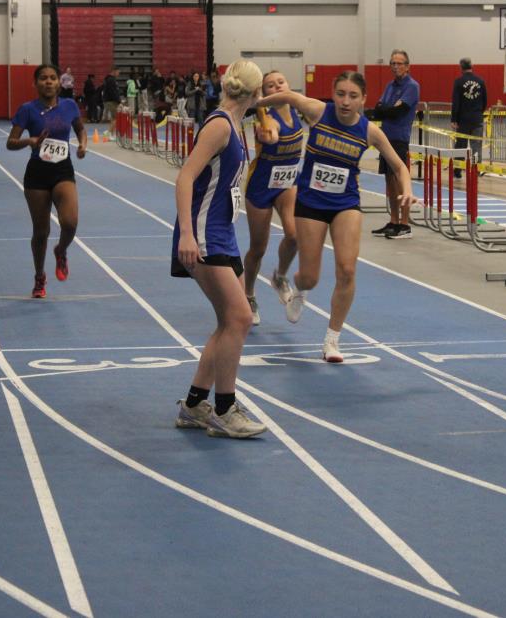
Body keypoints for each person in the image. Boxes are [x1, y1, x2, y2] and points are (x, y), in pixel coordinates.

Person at [257, 71, 416, 362]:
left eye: (353, 96)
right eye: (340, 94)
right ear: (333, 94)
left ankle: (332, 340)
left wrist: (406, 190)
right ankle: (293, 284)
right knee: (309, 277)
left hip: (346, 203)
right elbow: (289, 96)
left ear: (363, 99)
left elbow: (399, 166)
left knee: (347, 270)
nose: (345, 101)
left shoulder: (369, 131)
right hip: (311, 202)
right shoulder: (319, 111)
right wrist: (252, 103)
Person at [172, 59, 268, 439]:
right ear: (255, 93)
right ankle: (225, 409)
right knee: (240, 318)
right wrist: (186, 234)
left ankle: (195, 405)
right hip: (204, 233)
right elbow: (185, 177)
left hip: (223, 233)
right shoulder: (220, 126)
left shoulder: (237, 124)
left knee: (229, 322)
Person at [7, 64, 87, 299]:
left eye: (53, 78)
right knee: (41, 232)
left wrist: (83, 145)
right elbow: (10, 142)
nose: (49, 81)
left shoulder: (69, 106)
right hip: (37, 174)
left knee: (70, 223)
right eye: (43, 78)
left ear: (59, 82)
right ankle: (39, 276)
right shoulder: (27, 110)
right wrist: (29, 141)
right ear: (35, 83)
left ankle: (61, 250)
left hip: (63, 170)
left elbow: (81, 130)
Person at [242, 70, 302, 325]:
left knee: (294, 235)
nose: (277, 86)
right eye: (270, 85)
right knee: (258, 248)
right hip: (261, 186)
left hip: (287, 183)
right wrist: (266, 136)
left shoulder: (298, 108)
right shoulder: (267, 119)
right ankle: (248, 295)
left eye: (281, 82)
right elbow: (272, 133)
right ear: (264, 94)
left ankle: (279, 277)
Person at [366, 49, 419, 239]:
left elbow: (398, 111)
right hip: (385, 137)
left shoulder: (412, 86)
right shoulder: (390, 85)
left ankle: (404, 225)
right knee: (389, 181)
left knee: (399, 180)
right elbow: (379, 108)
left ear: (407, 66)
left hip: (399, 137)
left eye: (399, 63)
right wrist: (387, 109)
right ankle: (394, 221)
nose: (395, 67)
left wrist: (386, 109)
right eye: (392, 63)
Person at [450, 57, 487, 176]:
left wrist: (454, 119)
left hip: (463, 120)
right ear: (472, 66)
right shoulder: (480, 81)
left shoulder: (458, 82)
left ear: (461, 68)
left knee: (460, 146)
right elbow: (485, 101)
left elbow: (456, 102)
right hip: (477, 119)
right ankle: (476, 170)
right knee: (476, 147)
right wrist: (478, 113)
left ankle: (457, 170)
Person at [102, 68, 120, 134]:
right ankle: (108, 133)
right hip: (111, 101)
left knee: (113, 118)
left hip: (109, 100)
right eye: (118, 72)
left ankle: (111, 133)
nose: (118, 74)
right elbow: (113, 92)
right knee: (116, 118)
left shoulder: (108, 79)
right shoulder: (111, 80)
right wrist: (119, 101)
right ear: (114, 71)